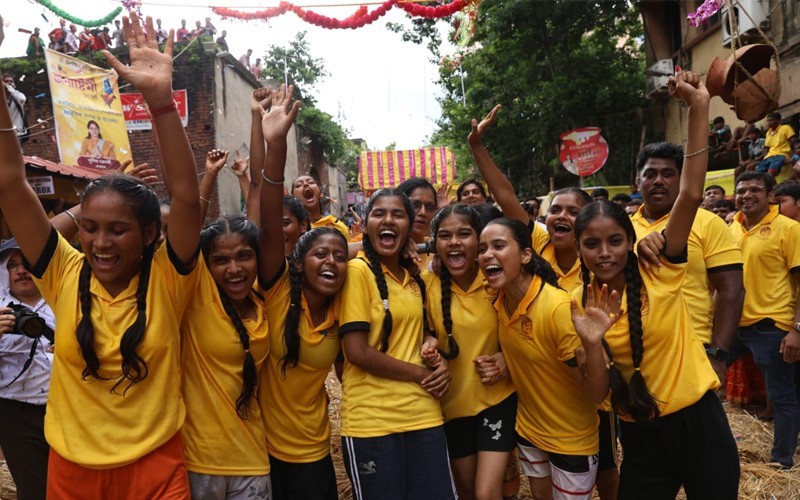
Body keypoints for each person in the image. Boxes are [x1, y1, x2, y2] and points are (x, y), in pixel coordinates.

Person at [0, 13, 203, 497]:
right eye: (88, 228)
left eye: (118, 230)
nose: (99, 242)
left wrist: (160, 103)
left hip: (157, 470)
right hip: (71, 473)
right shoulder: (63, 272)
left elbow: (189, 199)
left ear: (151, 233)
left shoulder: (168, 277)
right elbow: (11, 182)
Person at [573, 69, 739, 499]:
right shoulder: (579, 303)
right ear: (579, 249)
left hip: (699, 424)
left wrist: (699, 106)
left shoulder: (659, 265)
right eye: (592, 244)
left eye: (615, 241)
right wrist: (592, 344)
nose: (604, 252)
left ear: (631, 241)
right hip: (640, 435)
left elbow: (689, 194)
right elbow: (595, 394)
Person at [256, 84, 347, 500]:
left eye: (338, 256)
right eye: (320, 254)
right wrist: (273, 143)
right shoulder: (276, 289)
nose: (330, 262)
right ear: (300, 261)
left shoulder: (343, 307)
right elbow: (268, 213)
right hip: (261, 448)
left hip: (313, 451)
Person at [338, 188, 455, 499]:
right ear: (364, 224)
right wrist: (421, 375)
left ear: (409, 225)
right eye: (379, 213)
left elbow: (421, 334)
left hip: (424, 415)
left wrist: (435, 355)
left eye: (397, 214)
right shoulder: (357, 271)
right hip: (372, 422)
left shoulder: (414, 278)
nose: (388, 220)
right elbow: (357, 352)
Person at [422, 204, 517, 500]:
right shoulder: (425, 284)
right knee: (465, 490)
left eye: (464, 234)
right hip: (451, 407)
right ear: (434, 243)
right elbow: (420, 327)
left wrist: (506, 360)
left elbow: (526, 334)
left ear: (479, 240)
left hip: (496, 401)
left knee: (487, 492)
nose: (454, 242)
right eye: (445, 236)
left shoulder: (498, 281)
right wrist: (427, 341)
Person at [632, 142, 743, 391]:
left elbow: (731, 291)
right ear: (638, 180)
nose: (658, 181)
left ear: (682, 179)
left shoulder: (708, 223)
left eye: (668, 174)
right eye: (650, 174)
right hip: (634, 352)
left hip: (693, 350)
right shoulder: (621, 229)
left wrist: (718, 353)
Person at [181, 215, 272, 499]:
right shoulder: (195, 298)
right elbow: (185, 235)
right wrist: (207, 177)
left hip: (253, 457)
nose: (234, 269)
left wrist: (412, 245)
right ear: (206, 266)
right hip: (198, 461)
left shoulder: (266, 301)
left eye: (244, 256)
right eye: (220, 260)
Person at [729, 171, 800, 469]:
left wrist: (797, 329)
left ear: (771, 196)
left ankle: (781, 462)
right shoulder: (729, 227)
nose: (746, 194)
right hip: (732, 325)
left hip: (771, 326)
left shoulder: (789, 229)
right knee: (707, 384)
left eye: (755, 189)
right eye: (741, 189)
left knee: (782, 396)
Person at [0, 239, 55, 500]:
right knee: (34, 491)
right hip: (15, 414)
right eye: (12, 266)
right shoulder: (0, 309)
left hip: (69, 409)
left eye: (27, 264)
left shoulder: (64, 299)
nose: (21, 271)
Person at [397, 177, 437, 271]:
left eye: (429, 207)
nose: (423, 212)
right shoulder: (382, 247)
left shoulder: (438, 248)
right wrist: (399, 245)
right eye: (415, 205)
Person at [292, 175, 349, 240]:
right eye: (299, 185)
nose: (305, 184)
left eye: (311, 182)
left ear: (321, 193)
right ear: (293, 197)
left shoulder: (338, 226)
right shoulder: (291, 228)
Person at [758, 112, 796, 177]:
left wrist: (793, 156)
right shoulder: (768, 132)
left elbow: (793, 142)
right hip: (769, 157)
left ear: (778, 120)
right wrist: (764, 157)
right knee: (759, 174)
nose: (769, 122)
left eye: (771, 120)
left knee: (770, 174)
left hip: (781, 155)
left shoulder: (785, 128)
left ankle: (774, 187)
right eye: (768, 120)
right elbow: (766, 147)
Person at [3, 74, 27, 144]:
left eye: (11, 81)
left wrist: (7, 86)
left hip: (17, 134)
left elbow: (22, 99)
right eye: (6, 81)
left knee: (15, 154)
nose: (9, 83)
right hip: (3, 133)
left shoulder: (18, 95)